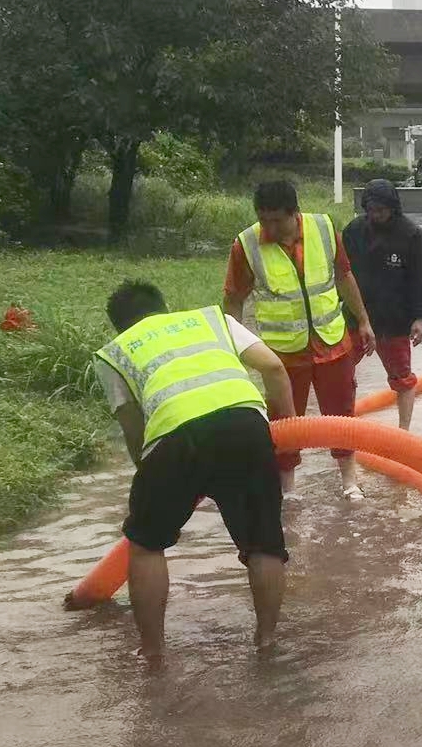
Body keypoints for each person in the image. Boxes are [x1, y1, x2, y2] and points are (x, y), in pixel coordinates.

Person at [82, 280, 296, 664]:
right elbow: (275, 368)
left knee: (147, 544)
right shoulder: (213, 319)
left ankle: (153, 653)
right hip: (245, 425)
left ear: (120, 325)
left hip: (173, 438)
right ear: (164, 307)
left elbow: (134, 426)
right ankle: (266, 642)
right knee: (263, 542)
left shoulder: (115, 352)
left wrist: (150, 476)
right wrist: (288, 431)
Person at [223, 179, 376, 495]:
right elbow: (234, 298)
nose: (269, 227)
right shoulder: (247, 245)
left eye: (276, 219)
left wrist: (363, 320)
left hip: (332, 342)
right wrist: (231, 345)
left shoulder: (323, 229)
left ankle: (350, 482)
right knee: (283, 421)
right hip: (282, 354)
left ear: (295, 213)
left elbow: (344, 276)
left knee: (341, 414)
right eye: (263, 219)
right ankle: (288, 490)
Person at [342, 179, 422, 429]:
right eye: (371, 210)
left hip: (394, 321)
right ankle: (342, 427)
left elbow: (421, 280)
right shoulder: (354, 231)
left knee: (402, 378)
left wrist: (419, 317)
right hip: (356, 318)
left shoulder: (412, 236)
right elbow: (342, 273)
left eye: (381, 210)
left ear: (393, 208)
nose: (376, 215)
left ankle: (403, 432)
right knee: (341, 375)